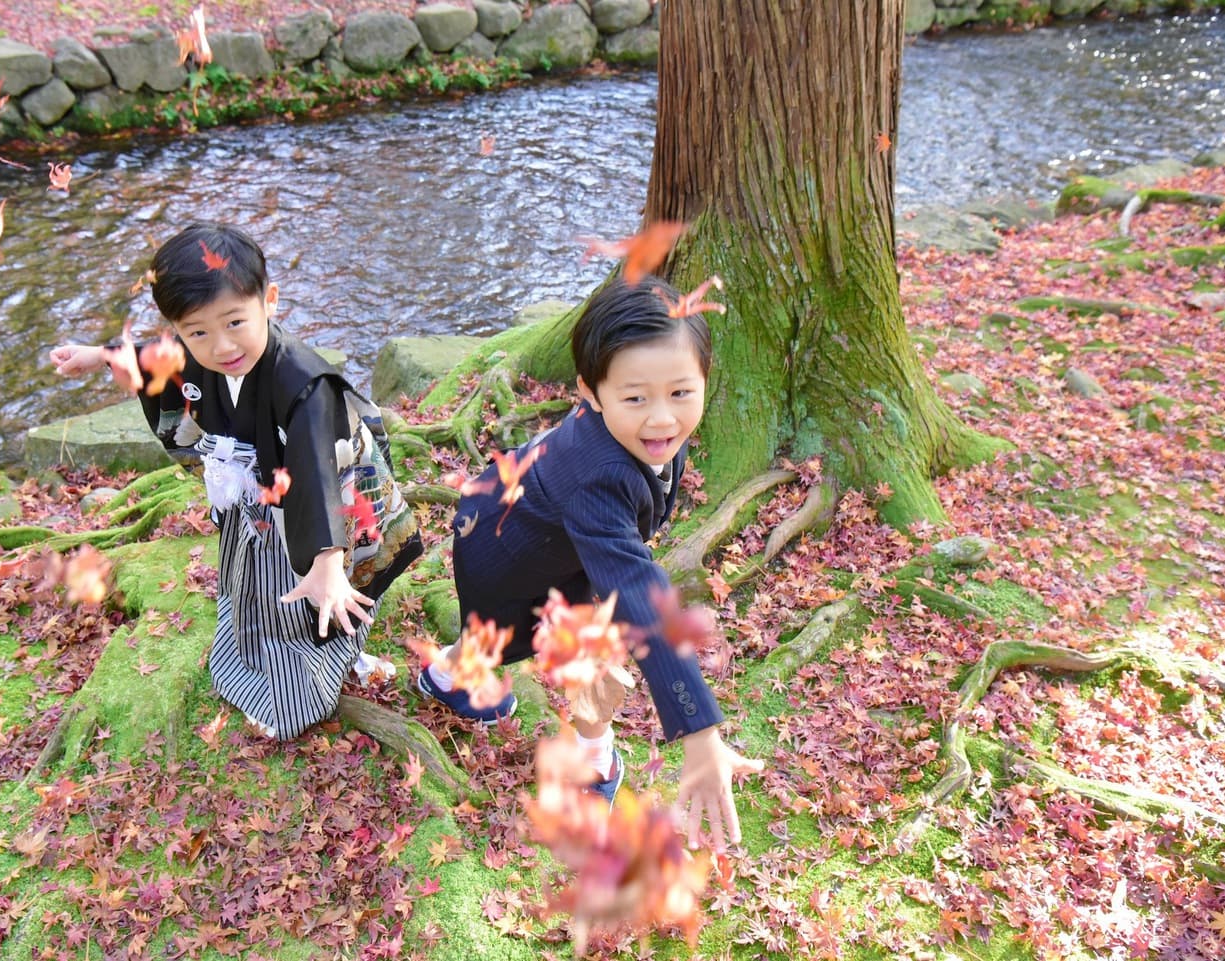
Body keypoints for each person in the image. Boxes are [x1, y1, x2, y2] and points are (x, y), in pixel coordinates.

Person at [419, 276, 759, 851]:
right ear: (590, 392)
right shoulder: (596, 474)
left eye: (681, 393)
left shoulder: (635, 437)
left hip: (517, 529)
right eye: (636, 398)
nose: (662, 421)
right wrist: (700, 731)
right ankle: (590, 761)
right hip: (507, 551)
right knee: (589, 654)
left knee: (498, 636)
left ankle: (448, 677)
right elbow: (634, 583)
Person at [49, 223, 420, 740]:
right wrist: (102, 355)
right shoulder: (192, 349)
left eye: (235, 322)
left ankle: (317, 682)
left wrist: (327, 562)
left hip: (322, 510)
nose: (221, 346)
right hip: (257, 499)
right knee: (259, 594)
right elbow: (158, 357)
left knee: (320, 599)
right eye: (197, 331)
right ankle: (265, 663)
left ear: (269, 300)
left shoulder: (304, 385)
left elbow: (317, 469)